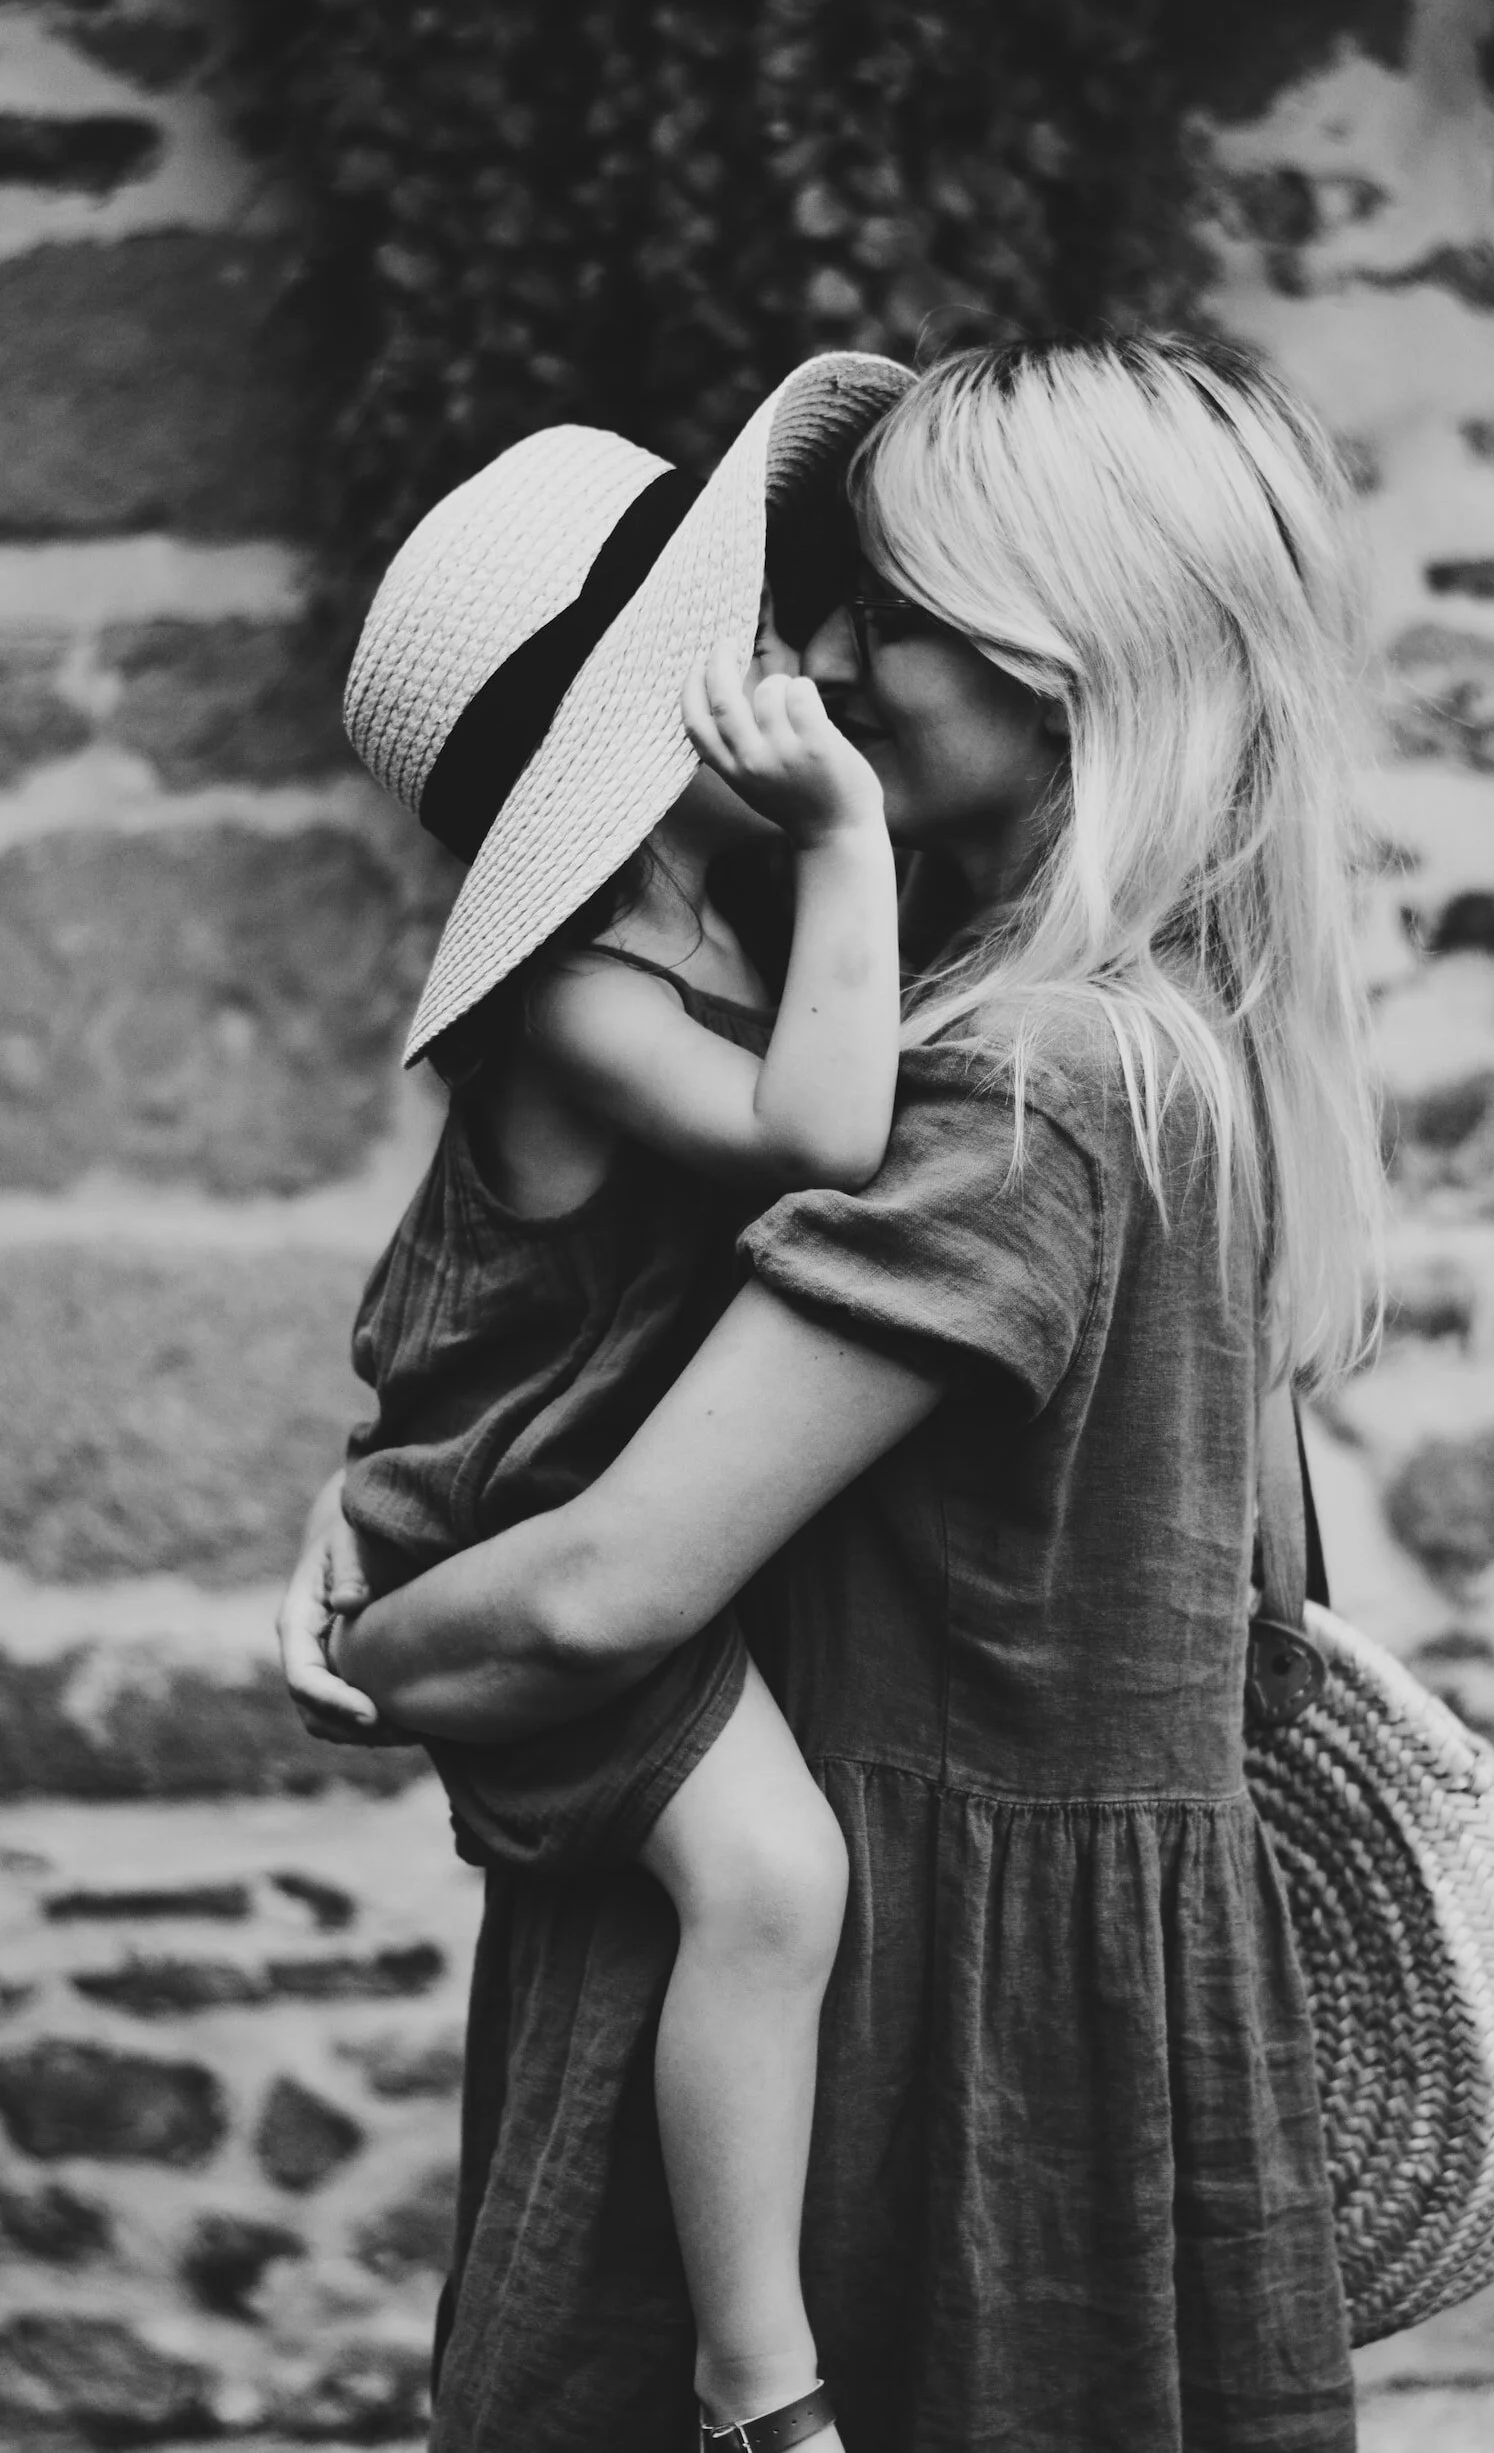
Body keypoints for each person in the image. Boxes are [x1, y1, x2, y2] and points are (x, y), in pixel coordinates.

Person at [282, 332, 1384, 2453]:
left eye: (892, 613)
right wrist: (417, 1489)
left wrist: (369, 1632)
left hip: (913, 2040)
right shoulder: (1165, 1048)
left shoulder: (1026, 1085)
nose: (835, 661)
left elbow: (600, 1592)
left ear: (1064, 665)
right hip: (1022, 2006)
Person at [315, 354, 912, 2453]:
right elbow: (829, 1129)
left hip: (529, 1467)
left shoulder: (693, 917)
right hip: (533, 1510)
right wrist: (848, 832)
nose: (820, 663)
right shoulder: (579, 985)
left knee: (766, 1884)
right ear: (633, 723)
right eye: (760, 644)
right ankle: (760, 2380)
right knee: (770, 1881)